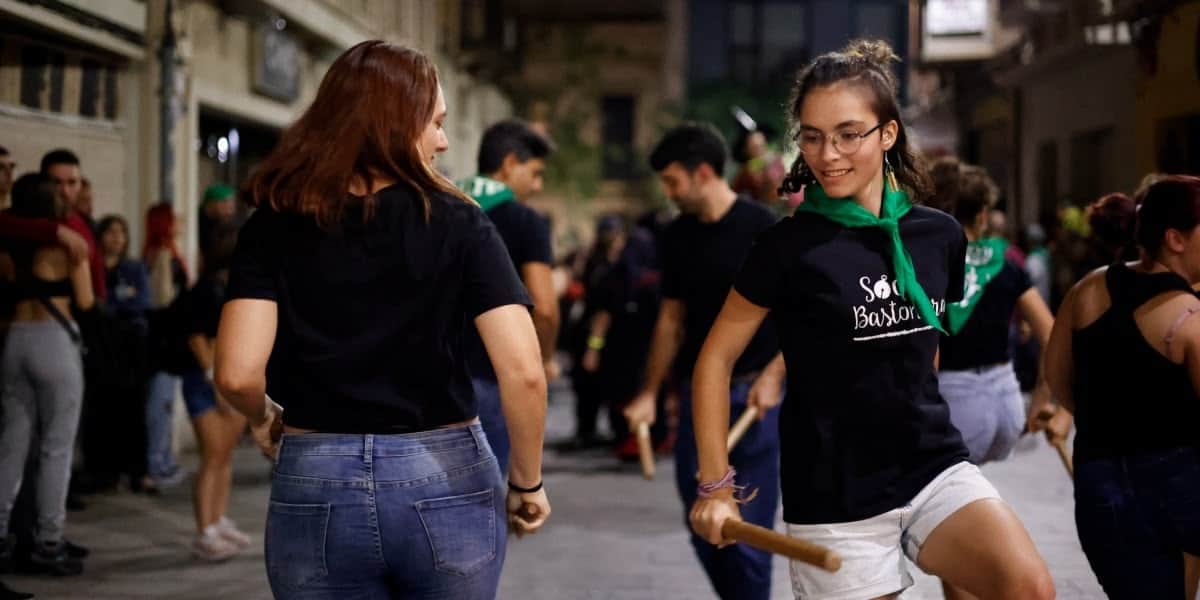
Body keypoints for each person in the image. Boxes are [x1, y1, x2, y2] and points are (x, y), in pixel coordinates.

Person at [689, 39, 1054, 600]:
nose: (827, 153)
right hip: (835, 495)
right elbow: (714, 359)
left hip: (932, 466)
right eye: (812, 136)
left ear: (888, 135)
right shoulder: (786, 247)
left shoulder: (940, 236)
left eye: (847, 133)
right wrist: (716, 486)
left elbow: (922, 346)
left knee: (1028, 588)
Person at [213, 40, 549, 598]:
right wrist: (527, 481)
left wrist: (261, 414)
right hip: (444, 475)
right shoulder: (459, 222)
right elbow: (524, 372)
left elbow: (237, 374)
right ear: (394, 124)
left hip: (315, 472)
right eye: (434, 123)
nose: (443, 141)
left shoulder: (273, 223)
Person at [622, 123, 783, 600]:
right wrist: (649, 393)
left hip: (755, 395)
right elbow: (671, 321)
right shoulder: (677, 238)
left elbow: (801, 316)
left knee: (746, 529)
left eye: (673, 182)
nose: (668, 194)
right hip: (699, 395)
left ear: (705, 173)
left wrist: (775, 375)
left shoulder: (764, 228)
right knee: (703, 520)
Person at [1044, 175, 1200, 599]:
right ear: (1176, 239)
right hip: (1176, 489)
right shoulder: (1189, 317)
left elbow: (1058, 379)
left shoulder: (1089, 288)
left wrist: (1105, 419)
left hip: (1099, 485)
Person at [0, 173, 93, 576]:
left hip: (15, 341)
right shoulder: (66, 242)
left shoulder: (6, 246)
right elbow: (87, 300)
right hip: (55, 342)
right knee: (57, 447)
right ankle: (49, 540)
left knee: (11, 446)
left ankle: (0, 537)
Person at [935, 162, 1056, 465]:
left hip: (956, 400)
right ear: (983, 215)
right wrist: (1043, 396)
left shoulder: (929, 263)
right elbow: (1052, 333)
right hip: (1006, 401)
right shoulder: (1006, 263)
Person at [458, 119, 559, 471]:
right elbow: (544, 309)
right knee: (488, 497)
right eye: (534, 173)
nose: (537, 185)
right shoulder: (525, 221)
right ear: (510, 163)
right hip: (493, 378)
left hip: (434, 378)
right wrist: (544, 359)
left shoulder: (441, 207)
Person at [181, 223, 251, 561]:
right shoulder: (207, 290)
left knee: (224, 456)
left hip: (225, 379)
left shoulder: (231, 287)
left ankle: (218, 519)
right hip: (206, 382)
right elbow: (197, 340)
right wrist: (216, 381)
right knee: (212, 456)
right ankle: (204, 531)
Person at [141, 203, 189, 492]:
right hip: (164, 345)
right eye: (175, 219)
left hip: (166, 342)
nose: (180, 223)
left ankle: (161, 462)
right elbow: (162, 300)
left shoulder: (164, 253)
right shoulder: (162, 255)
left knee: (163, 405)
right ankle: (156, 465)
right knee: (160, 406)